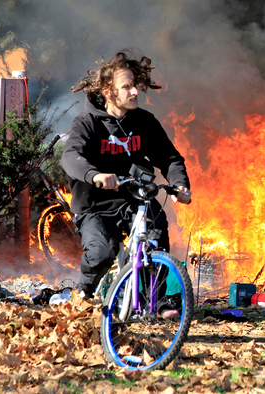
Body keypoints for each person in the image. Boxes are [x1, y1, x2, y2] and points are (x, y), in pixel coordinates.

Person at [61, 50, 191, 318]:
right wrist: (95, 175)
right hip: (95, 205)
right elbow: (71, 157)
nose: (134, 92)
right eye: (127, 87)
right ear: (109, 92)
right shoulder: (87, 122)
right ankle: (83, 295)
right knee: (102, 254)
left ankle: (155, 301)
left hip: (134, 199)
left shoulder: (144, 122)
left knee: (155, 235)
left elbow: (169, 158)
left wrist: (179, 185)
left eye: (135, 85)